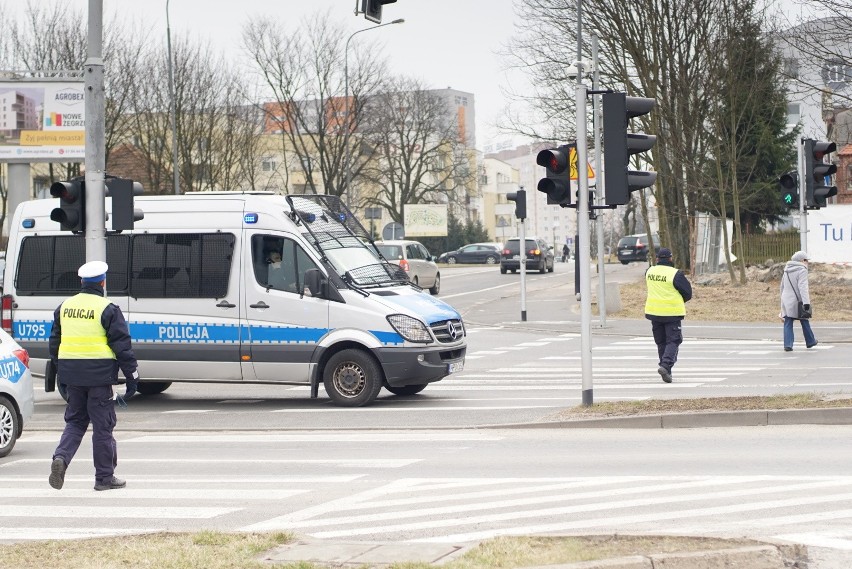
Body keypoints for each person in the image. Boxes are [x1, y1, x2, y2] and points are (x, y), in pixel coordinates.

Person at [48, 261, 139, 492]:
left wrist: (62, 372)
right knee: (103, 427)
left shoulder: (64, 307)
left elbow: (55, 343)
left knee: (75, 422)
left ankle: (61, 458)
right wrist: (132, 377)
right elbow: (122, 347)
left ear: (81, 282)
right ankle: (104, 478)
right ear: (103, 282)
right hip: (99, 379)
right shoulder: (108, 309)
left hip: (73, 379)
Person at [644, 247, 692, 383]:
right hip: (672, 313)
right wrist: (677, 300)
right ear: (670, 259)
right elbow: (688, 293)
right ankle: (665, 366)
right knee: (674, 341)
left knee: (661, 342)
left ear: (657, 259)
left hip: (654, 312)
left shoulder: (649, 272)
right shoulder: (675, 274)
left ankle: (666, 370)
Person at [780, 250, 817, 352]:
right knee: (804, 320)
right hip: (797, 301)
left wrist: (781, 304)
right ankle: (810, 341)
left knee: (788, 321)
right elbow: (803, 288)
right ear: (801, 260)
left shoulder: (786, 270)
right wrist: (806, 303)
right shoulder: (802, 270)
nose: (807, 262)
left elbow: (782, 287)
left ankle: (788, 344)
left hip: (786, 299)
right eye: (806, 260)